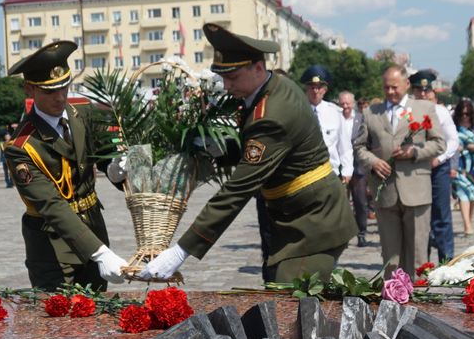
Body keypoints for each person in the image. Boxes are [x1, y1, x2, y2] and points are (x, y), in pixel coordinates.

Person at [140, 25, 355, 284]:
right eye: (223, 77)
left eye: (233, 77)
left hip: (316, 222)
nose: (227, 86)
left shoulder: (272, 114)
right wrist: (221, 150)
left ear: (257, 68)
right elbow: (255, 146)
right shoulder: (271, 87)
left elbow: (238, 190)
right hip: (297, 216)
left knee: (293, 295)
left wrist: (181, 250)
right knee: (285, 292)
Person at [3, 40, 127, 292]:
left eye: (64, 86)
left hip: (94, 229)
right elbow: (51, 205)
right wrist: (101, 253)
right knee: (60, 324)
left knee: (98, 318)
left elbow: (102, 155)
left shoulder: (82, 114)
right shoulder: (21, 146)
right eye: (49, 91)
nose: (60, 97)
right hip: (53, 248)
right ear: (30, 90)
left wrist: (116, 168)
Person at [354, 66, 446, 278]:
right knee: (390, 255)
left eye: (395, 87)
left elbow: (439, 144)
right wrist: (374, 162)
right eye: (386, 87)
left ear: (406, 85)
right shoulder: (370, 113)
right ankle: (393, 298)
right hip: (385, 192)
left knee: (418, 255)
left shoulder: (424, 108)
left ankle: (418, 298)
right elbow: (359, 147)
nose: (390, 91)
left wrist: (414, 151)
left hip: (416, 190)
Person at [411, 69, 457, 263]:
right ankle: (422, 263)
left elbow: (453, 141)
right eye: (419, 90)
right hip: (415, 169)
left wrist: (440, 158)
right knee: (419, 217)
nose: (423, 94)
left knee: (441, 215)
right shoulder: (407, 112)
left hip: (438, 168)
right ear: (413, 91)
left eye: (426, 90)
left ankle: (446, 261)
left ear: (432, 92)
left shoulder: (440, 111)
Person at [300, 65, 353, 183]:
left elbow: (345, 146)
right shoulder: (297, 111)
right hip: (304, 175)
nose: (315, 91)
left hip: (331, 173)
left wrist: (347, 170)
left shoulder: (335, 113)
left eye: (319, 87)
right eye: (312, 87)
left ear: (325, 89)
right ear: (306, 89)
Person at [337, 90, 370, 246]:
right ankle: (341, 235)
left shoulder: (361, 119)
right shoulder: (335, 118)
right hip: (339, 166)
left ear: (353, 103)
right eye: (342, 103)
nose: (345, 106)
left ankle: (361, 232)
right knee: (340, 203)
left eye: (347, 103)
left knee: (360, 202)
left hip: (358, 167)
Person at [452, 99, 474, 236]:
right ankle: (467, 225)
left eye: (467, 114)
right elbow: (448, 146)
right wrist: (462, 148)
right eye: (462, 114)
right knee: (462, 194)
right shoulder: (453, 129)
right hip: (460, 166)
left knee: (473, 196)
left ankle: (469, 221)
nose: (464, 117)